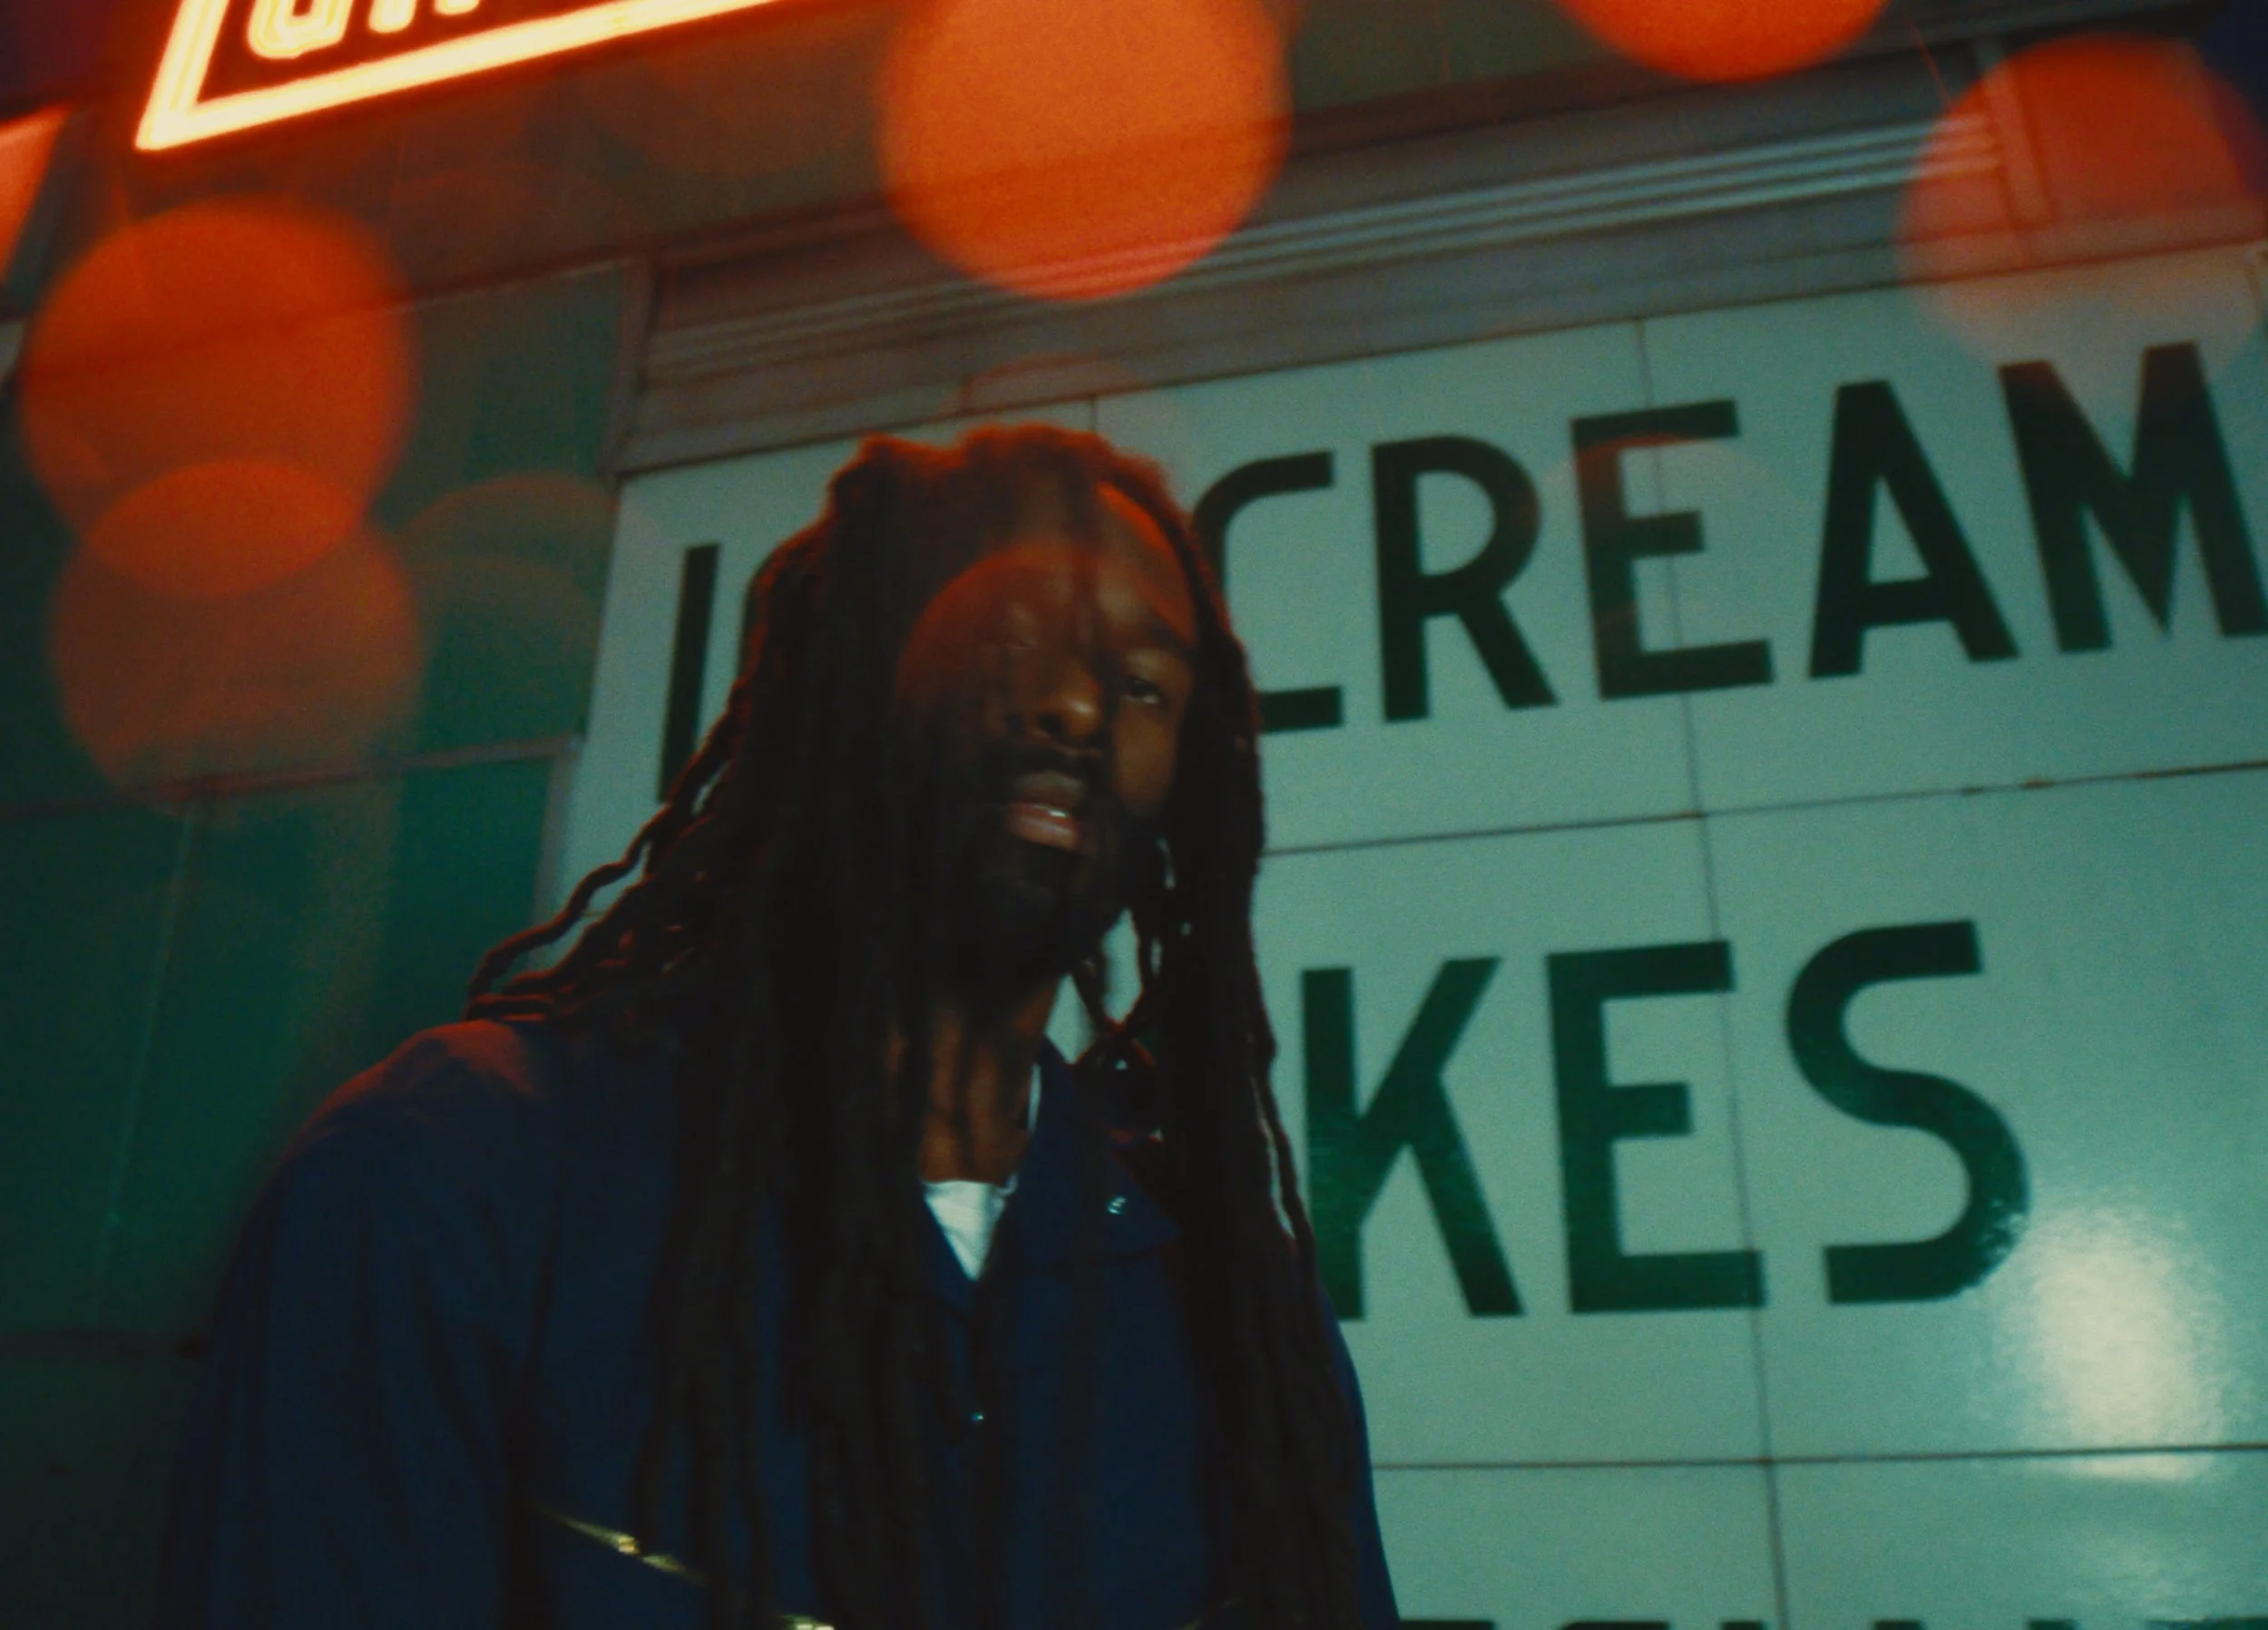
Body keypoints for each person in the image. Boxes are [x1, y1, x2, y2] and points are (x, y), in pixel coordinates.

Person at [157, 427, 1400, 1630]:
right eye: (1013, 637)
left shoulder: (1231, 1304)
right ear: (846, 682)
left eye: (1141, 685)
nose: (1080, 707)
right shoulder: (454, 1174)